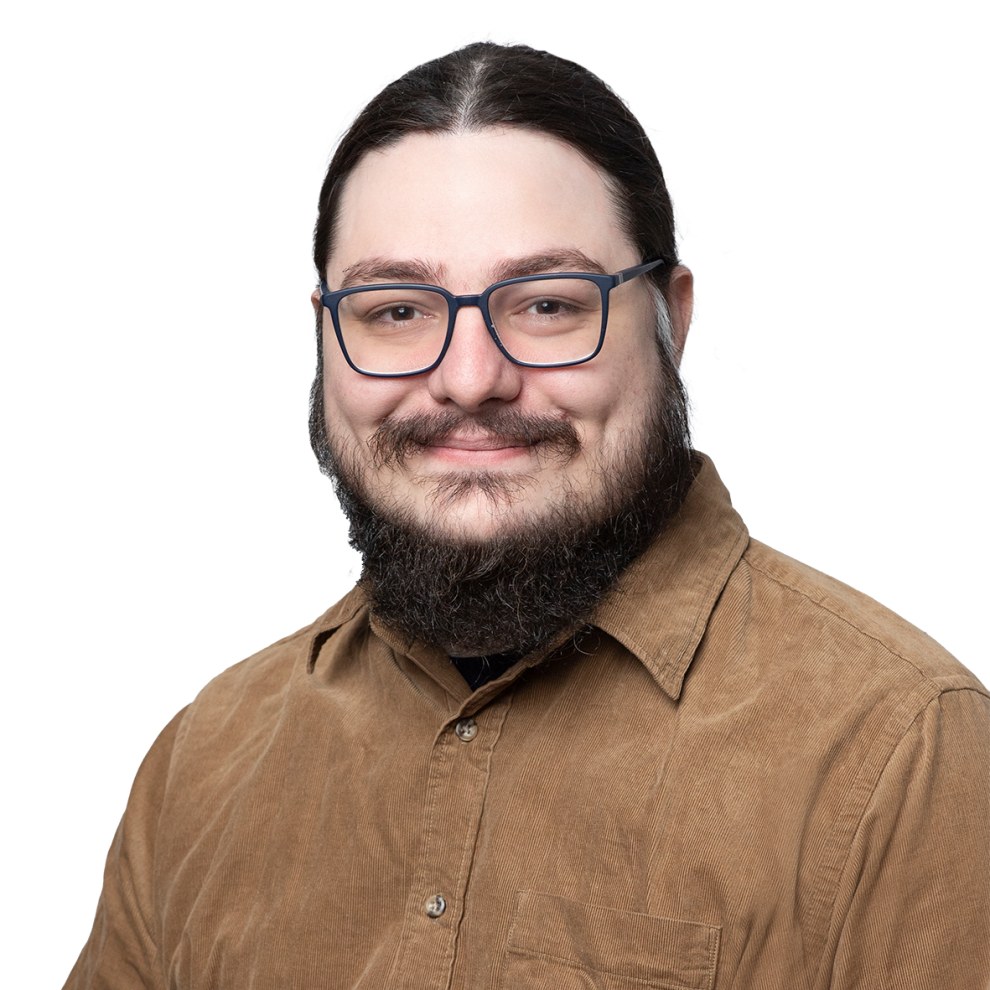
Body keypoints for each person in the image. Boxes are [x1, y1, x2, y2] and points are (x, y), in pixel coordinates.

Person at [66, 42, 989, 989]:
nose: (469, 379)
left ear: (672, 318)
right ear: (324, 333)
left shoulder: (904, 753)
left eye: (549, 303)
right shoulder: (205, 760)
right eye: (395, 312)